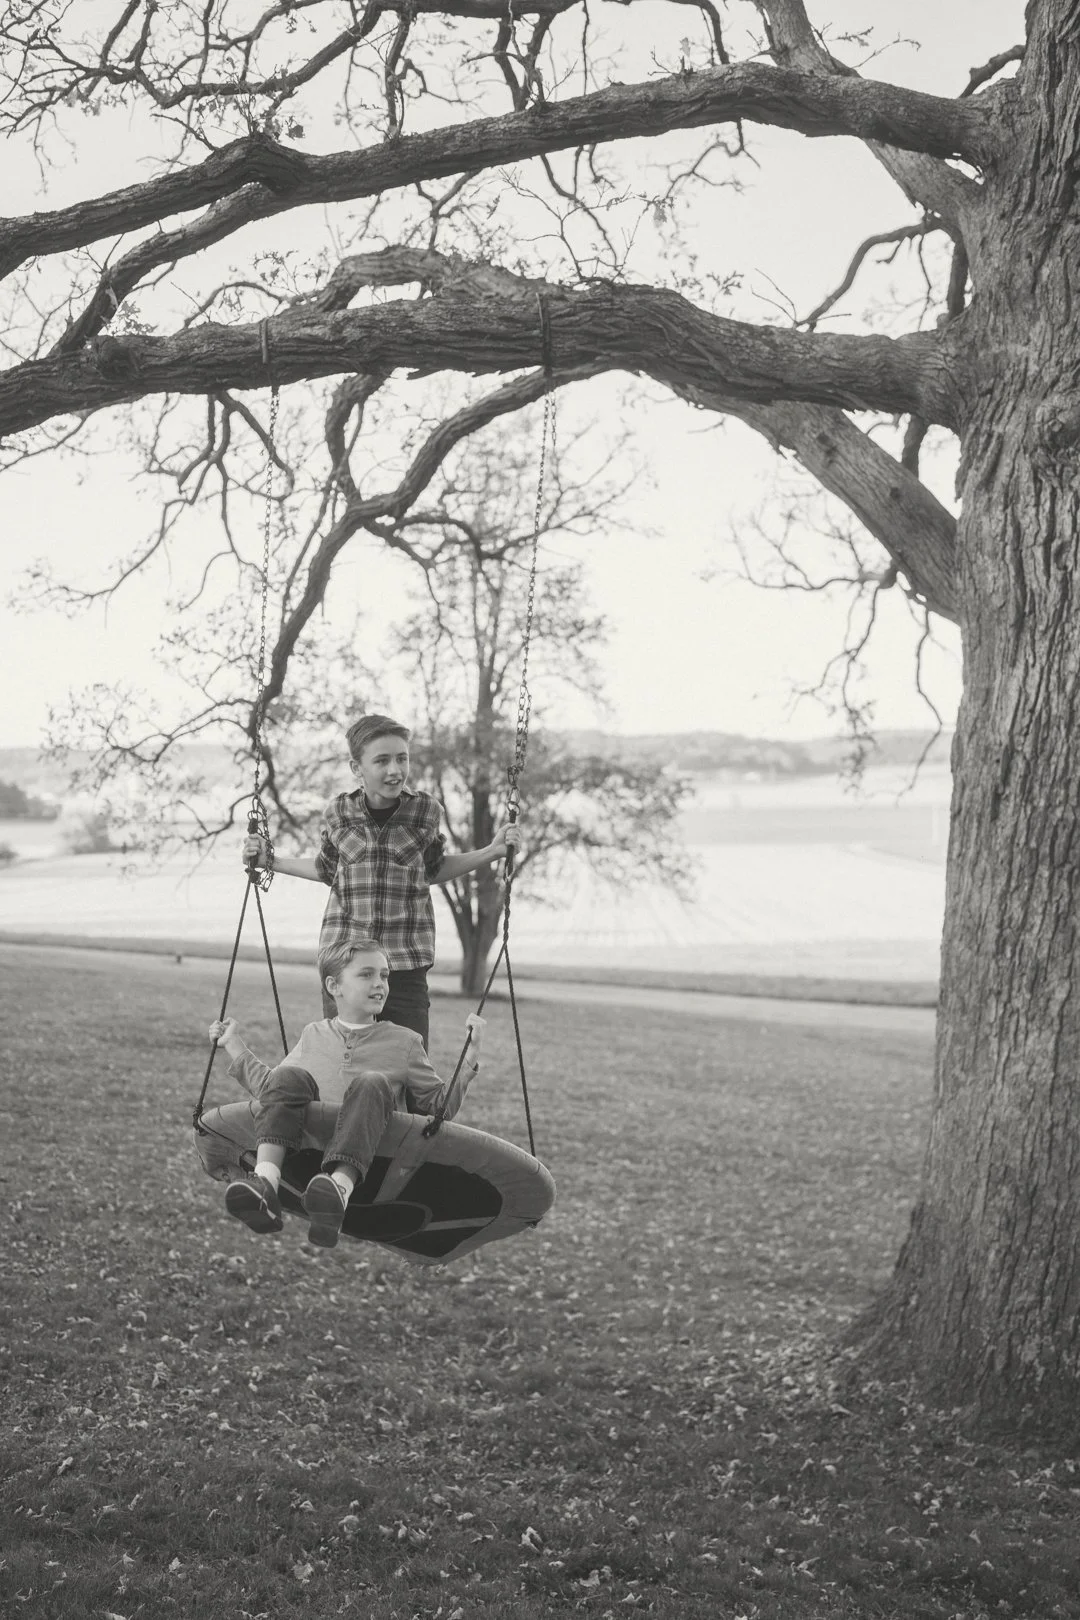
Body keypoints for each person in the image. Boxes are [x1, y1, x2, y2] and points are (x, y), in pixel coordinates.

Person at [244, 713, 519, 1046]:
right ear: (357, 768)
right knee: (343, 1068)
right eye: (382, 760)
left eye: (402, 758)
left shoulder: (425, 812)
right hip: (345, 963)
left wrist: (491, 852)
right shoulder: (338, 813)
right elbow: (327, 870)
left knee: (412, 1075)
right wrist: (269, 861)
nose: (395, 770)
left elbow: (432, 869)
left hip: (404, 965)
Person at [208, 938, 485, 1249]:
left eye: (384, 975)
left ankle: (337, 1191)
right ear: (334, 985)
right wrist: (233, 1044)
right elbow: (274, 1093)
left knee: (372, 1082)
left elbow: (439, 1109)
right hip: (307, 1159)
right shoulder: (314, 1034)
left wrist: (470, 1057)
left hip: (374, 1165)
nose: (380, 983)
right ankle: (266, 1185)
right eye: (366, 974)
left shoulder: (405, 1042)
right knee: (288, 1076)